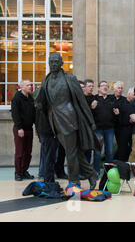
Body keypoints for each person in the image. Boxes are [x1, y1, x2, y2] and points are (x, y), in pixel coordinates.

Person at [35, 53, 98, 189]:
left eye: (56, 62)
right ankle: (91, 174)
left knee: (71, 153)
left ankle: (74, 181)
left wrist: (90, 121)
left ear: (62, 63)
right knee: (75, 152)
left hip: (69, 119)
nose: (53, 64)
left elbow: (81, 101)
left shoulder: (70, 79)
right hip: (54, 121)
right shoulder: (46, 80)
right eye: (51, 62)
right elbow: (45, 101)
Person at [11, 80, 36, 181]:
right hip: (20, 129)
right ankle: (18, 173)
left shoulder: (30, 98)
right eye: (28, 85)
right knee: (20, 152)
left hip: (29, 128)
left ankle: (24, 170)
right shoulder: (16, 98)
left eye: (30, 85)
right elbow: (15, 114)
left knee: (28, 152)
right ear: (21, 87)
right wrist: (19, 127)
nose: (30, 86)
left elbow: (33, 113)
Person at [116, 88, 135, 162]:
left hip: (133, 128)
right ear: (129, 94)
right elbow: (119, 116)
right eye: (133, 95)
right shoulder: (122, 103)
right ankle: (121, 163)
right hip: (123, 129)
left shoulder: (134, 103)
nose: (134, 97)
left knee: (133, 147)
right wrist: (128, 120)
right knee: (122, 147)